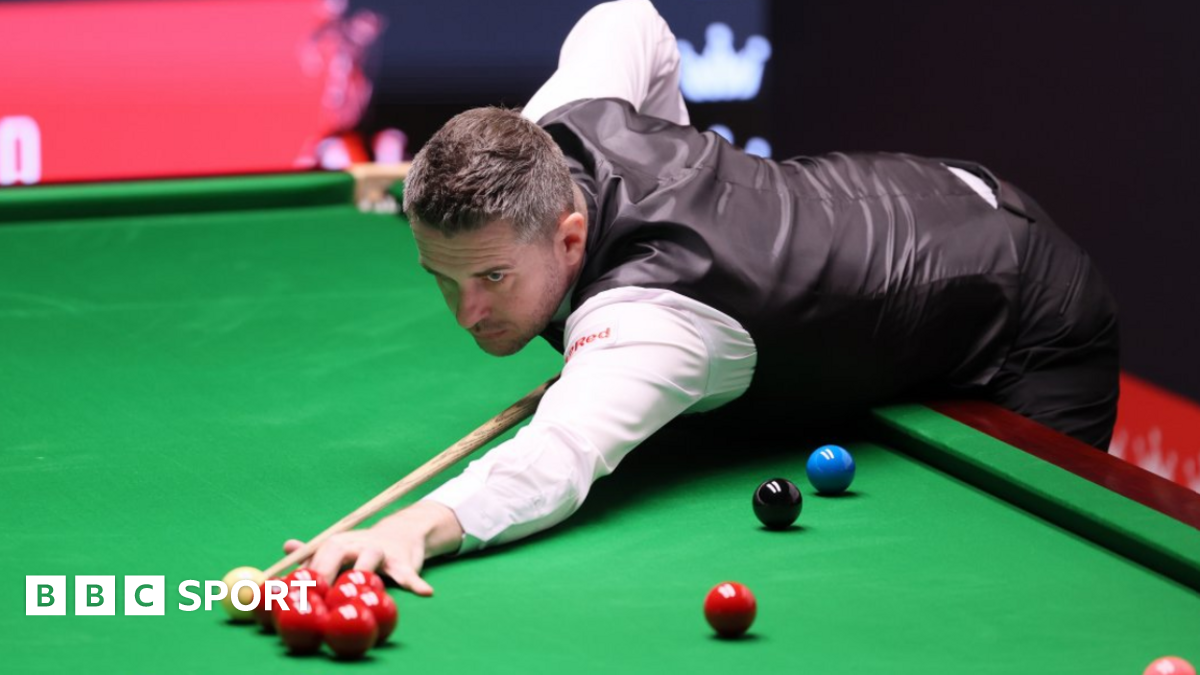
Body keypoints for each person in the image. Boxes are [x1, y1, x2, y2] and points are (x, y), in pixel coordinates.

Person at [284, 0, 1119, 595]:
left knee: (1021, 582)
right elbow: (628, 16)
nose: (465, 312)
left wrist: (416, 525)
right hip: (934, 197)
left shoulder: (651, 317)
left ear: (570, 237)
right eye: (443, 278)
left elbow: (557, 458)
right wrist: (675, 149)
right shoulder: (560, 124)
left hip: (1024, 307)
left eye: (492, 277)